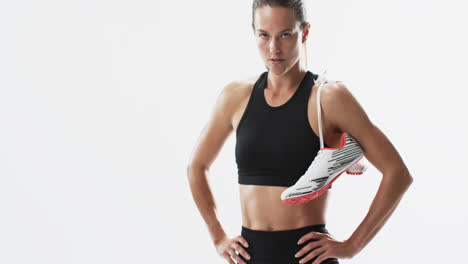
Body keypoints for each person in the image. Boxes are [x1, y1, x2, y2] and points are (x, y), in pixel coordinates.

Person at [186, 1, 413, 263]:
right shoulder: (235, 96)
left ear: (304, 33)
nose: (274, 48)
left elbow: (398, 173)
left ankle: (346, 153)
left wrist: (352, 246)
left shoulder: (329, 98)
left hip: (307, 258)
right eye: (264, 35)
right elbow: (197, 166)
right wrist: (218, 236)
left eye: (285, 34)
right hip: (250, 256)